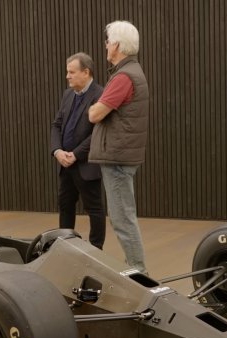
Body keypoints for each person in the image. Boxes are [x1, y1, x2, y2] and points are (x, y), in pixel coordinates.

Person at [88, 20, 150, 273]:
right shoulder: (131, 72)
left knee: (122, 218)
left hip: (117, 159)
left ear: (116, 46)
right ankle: (136, 268)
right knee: (124, 216)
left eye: (108, 42)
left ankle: (138, 271)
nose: (105, 46)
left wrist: (94, 107)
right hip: (121, 156)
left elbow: (94, 114)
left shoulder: (123, 77)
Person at [50, 53, 105, 250]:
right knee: (65, 206)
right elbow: (57, 125)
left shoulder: (100, 95)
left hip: (86, 164)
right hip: (65, 164)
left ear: (86, 72)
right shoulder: (68, 95)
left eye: (71, 72)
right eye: (67, 72)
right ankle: (65, 247)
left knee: (95, 210)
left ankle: (96, 250)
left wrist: (75, 154)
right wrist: (57, 151)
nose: (67, 76)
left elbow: (99, 132)